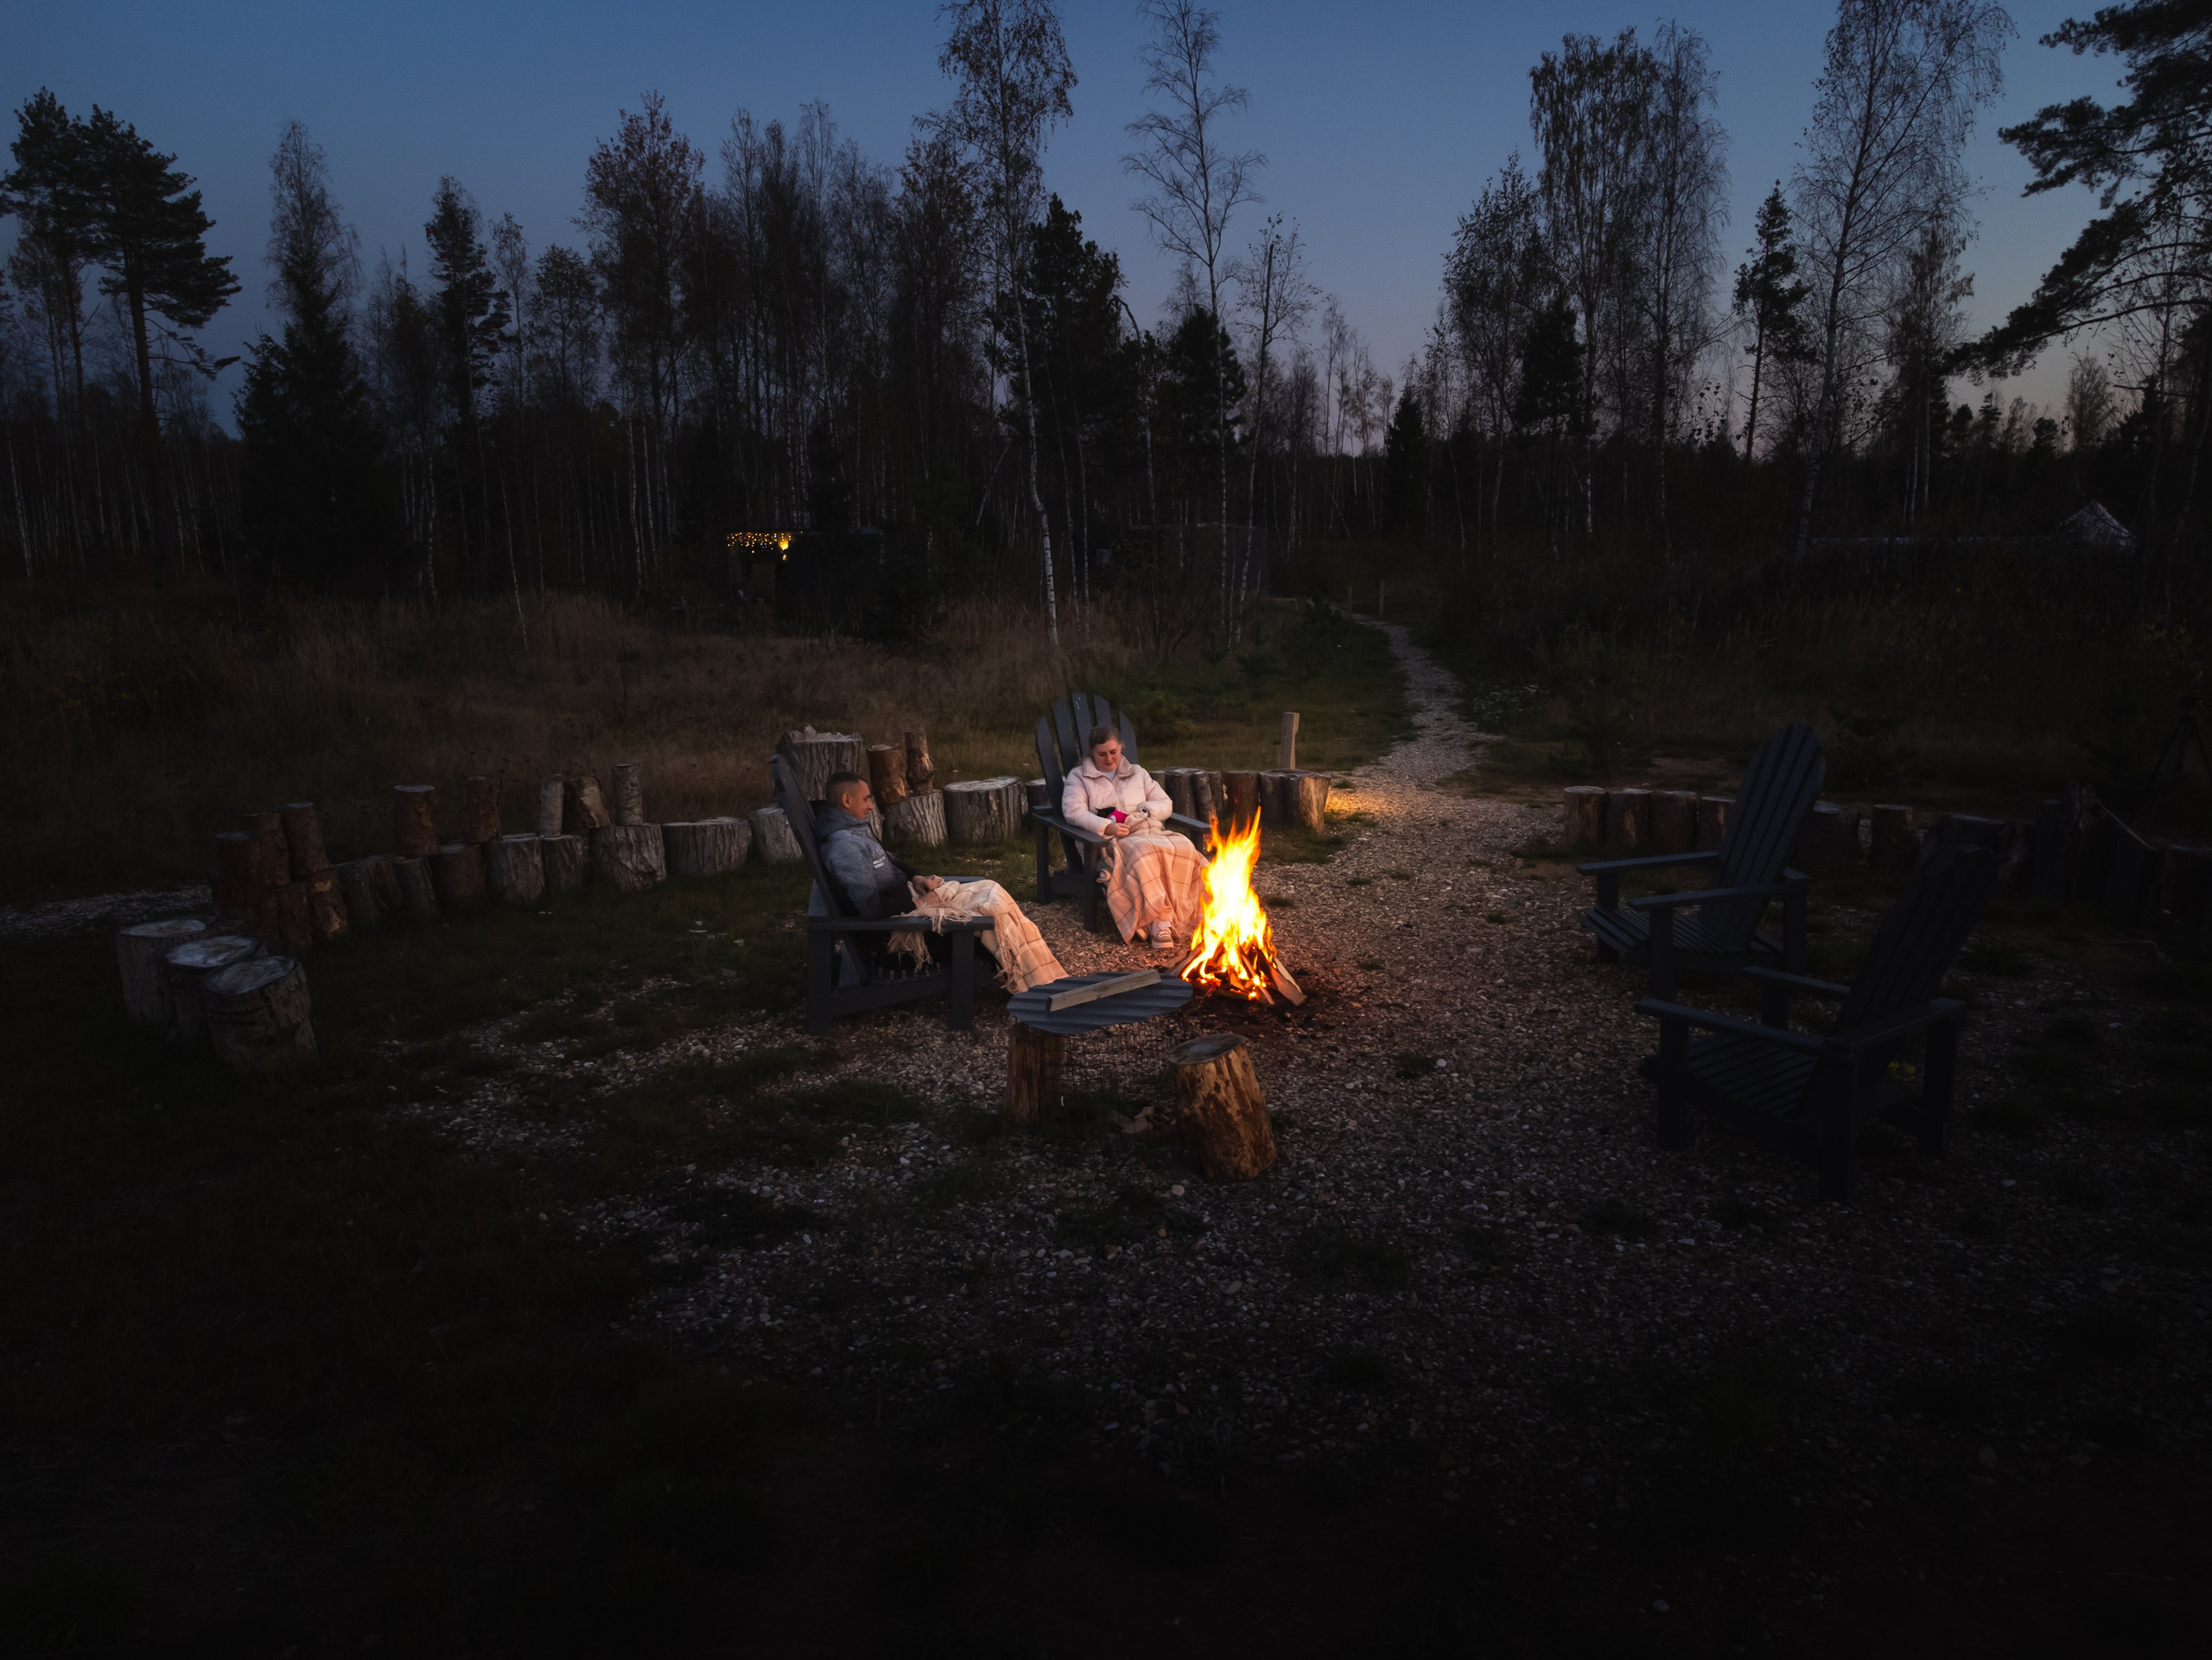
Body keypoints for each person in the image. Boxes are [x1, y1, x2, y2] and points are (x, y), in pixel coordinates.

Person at [810, 772, 1064, 990]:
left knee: (991, 889)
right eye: (866, 799)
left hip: (910, 906)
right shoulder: (845, 847)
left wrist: (914, 876)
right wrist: (917, 906)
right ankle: (1038, 981)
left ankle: (1040, 973)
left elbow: (889, 860)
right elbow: (870, 907)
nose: (871, 806)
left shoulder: (853, 830)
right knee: (993, 913)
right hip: (900, 936)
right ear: (846, 800)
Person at [1059, 725, 1209, 949]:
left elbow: (1165, 803)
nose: (1109, 758)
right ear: (1092, 753)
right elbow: (1073, 811)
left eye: (1113, 752)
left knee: (1184, 845)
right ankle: (1160, 921)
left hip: (1148, 830)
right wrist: (1106, 827)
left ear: (1121, 747)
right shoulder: (1079, 777)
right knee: (1144, 853)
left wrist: (1143, 813)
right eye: (1101, 754)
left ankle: (1189, 912)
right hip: (1108, 842)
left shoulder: (1137, 773)